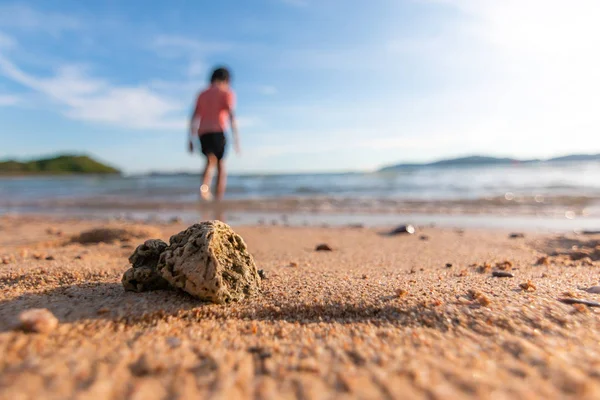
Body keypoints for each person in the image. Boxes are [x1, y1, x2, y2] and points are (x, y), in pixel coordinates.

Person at [188, 66, 240, 201]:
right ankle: (218, 197)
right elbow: (231, 115)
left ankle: (203, 189)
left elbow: (194, 116)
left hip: (203, 132)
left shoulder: (202, 94)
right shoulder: (226, 92)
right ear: (226, 79)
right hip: (218, 131)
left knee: (209, 160)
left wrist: (190, 138)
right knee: (220, 164)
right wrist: (236, 139)